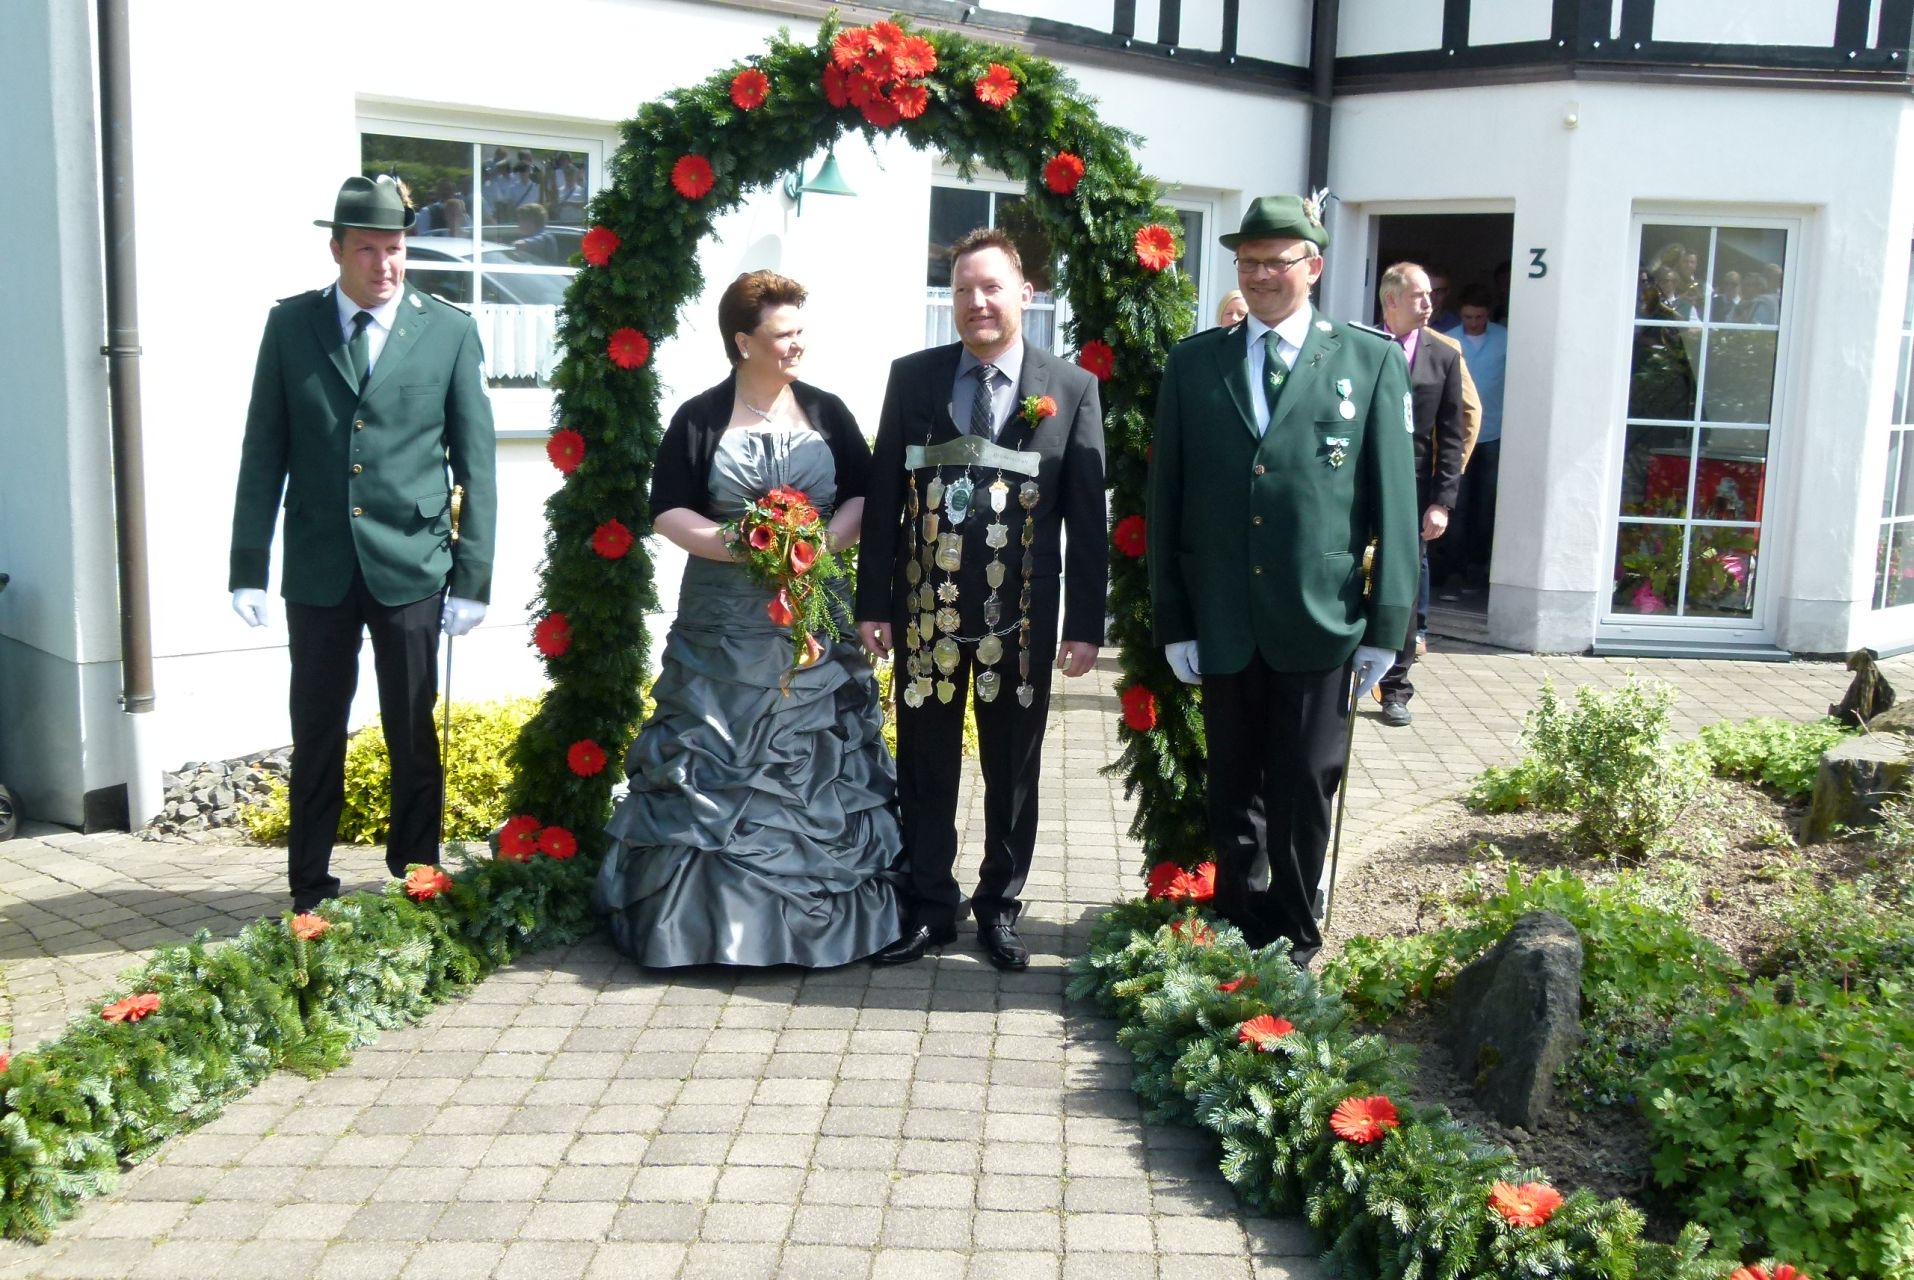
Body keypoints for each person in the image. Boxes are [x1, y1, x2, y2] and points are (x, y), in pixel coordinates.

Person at [594, 270, 903, 967]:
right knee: (716, 758)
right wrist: (743, 544)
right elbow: (667, 509)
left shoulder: (827, 411)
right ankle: (697, 925)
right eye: (782, 334)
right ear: (743, 342)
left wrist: (819, 542)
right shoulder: (700, 418)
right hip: (722, 625)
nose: (797, 344)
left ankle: (821, 923)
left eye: (800, 331)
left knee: (814, 758)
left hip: (811, 616)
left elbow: (865, 493)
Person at [1147, 195, 1416, 967]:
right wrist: (1176, 619)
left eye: (1277, 262)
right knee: (1234, 788)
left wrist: (1387, 628)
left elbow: (1395, 505)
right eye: (1248, 262)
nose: (1261, 275)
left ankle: (1296, 937)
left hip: (1320, 617)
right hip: (1226, 614)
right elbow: (1168, 501)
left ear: (1314, 266)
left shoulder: (1367, 360)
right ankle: (1238, 930)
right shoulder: (1195, 363)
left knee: (1305, 784)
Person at [229, 175, 497, 912]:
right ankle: (310, 890)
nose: (386, 264)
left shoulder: (447, 331)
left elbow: (476, 463)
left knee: (412, 728)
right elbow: (263, 450)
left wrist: (473, 578)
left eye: (397, 248)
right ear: (337, 250)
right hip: (318, 563)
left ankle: (416, 878)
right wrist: (248, 565)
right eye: (369, 250)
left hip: (412, 560)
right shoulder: (291, 327)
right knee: (316, 728)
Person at [856, 228, 1108, 970]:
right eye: (963, 289)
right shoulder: (913, 378)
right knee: (925, 764)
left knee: (1013, 770)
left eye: (992, 287)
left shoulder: (1071, 388)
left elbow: (1086, 518)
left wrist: (1085, 624)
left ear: (1025, 294)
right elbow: (883, 499)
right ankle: (931, 908)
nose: (977, 302)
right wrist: (873, 603)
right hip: (925, 613)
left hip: (1023, 620)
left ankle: (999, 906)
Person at [1373, 262, 1469, 727]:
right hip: (1359, 485)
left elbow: (1452, 435)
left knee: (1403, 588)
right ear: (1391, 300)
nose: (1429, 303)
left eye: (1430, 294)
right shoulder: (1359, 346)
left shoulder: (1444, 356)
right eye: (1418, 295)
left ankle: (1395, 688)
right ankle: (1343, 676)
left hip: (1413, 490)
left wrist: (1441, 502)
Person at [1443, 288, 1509, 589]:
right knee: (1456, 504)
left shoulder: (1505, 339)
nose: (1473, 322)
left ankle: (1478, 568)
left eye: (1479, 317)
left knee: (1486, 505)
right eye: (1468, 317)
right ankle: (1454, 571)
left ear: (1488, 314)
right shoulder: (1449, 339)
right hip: (1459, 433)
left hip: (1495, 432)